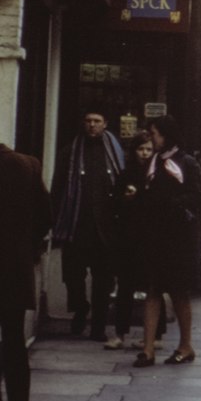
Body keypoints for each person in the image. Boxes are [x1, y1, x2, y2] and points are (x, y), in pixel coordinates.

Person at [134, 114, 201, 367]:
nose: (151, 138)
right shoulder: (152, 162)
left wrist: (170, 204)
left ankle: (186, 346)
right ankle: (148, 349)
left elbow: (197, 197)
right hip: (155, 236)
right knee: (152, 291)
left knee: (178, 294)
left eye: (154, 133)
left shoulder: (186, 163)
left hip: (178, 239)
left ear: (166, 135)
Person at [51, 108, 124, 341]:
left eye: (97, 121)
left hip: (106, 230)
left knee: (103, 281)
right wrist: (54, 220)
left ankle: (98, 327)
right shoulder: (69, 152)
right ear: (83, 124)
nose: (92, 125)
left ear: (105, 124)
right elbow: (57, 188)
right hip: (76, 227)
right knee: (73, 278)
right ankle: (81, 308)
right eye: (88, 121)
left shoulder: (115, 153)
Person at [0, 143, 51, 401]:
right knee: (14, 340)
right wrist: (26, 250)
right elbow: (46, 217)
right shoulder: (28, 166)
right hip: (14, 269)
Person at [107, 131, 162, 351]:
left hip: (149, 238)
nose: (145, 153)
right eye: (141, 149)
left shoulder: (156, 175)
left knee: (153, 286)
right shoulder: (126, 174)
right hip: (128, 238)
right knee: (125, 287)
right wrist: (125, 199)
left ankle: (156, 335)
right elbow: (115, 204)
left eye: (149, 149)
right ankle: (120, 333)